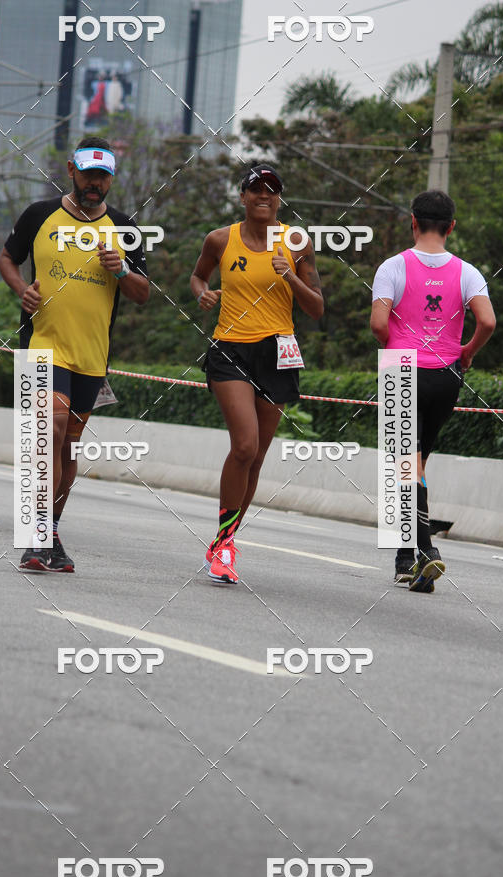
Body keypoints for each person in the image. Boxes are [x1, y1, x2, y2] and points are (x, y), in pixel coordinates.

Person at [0, 135, 150, 572]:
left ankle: (51, 531)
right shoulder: (40, 215)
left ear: (111, 181)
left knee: (67, 447)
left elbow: (143, 293)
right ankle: (35, 536)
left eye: (102, 178)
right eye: (87, 175)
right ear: (71, 170)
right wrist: (21, 289)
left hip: (91, 354)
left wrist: (120, 267)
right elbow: (8, 259)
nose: (94, 185)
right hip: (41, 344)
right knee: (51, 426)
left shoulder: (124, 229)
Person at [191, 164, 324, 584]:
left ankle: (224, 540)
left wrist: (291, 276)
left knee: (259, 457)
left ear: (280, 198)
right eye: (255, 190)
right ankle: (225, 543)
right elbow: (198, 276)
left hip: (279, 352)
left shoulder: (297, 242)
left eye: (272, 190)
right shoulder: (220, 239)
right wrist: (203, 293)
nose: (263, 196)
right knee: (244, 447)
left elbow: (317, 307)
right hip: (230, 348)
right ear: (243, 197)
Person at [371, 189, 495, 592]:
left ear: (413, 221)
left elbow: (377, 323)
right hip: (447, 375)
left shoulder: (393, 266)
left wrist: (394, 345)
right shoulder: (467, 272)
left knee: (403, 464)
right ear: (451, 227)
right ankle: (404, 560)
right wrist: (468, 353)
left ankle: (426, 551)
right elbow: (488, 322)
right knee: (415, 460)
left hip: (400, 369)